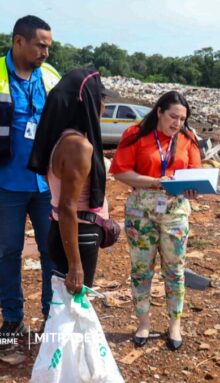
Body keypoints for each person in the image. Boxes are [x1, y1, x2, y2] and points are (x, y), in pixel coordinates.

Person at [110, 91, 201, 350]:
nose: (177, 123)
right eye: (173, 116)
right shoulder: (135, 134)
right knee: (141, 270)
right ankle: (143, 323)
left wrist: (193, 187)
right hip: (141, 211)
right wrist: (153, 182)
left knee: (175, 270)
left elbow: (195, 173)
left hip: (175, 210)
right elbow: (120, 172)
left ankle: (174, 325)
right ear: (159, 111)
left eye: (182, 119)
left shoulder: (188, 138)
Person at [28, 68, 118, 295]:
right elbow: (68, 206)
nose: (104, 107)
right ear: (87, 102)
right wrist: (76, 265)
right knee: (76, 307)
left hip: (66, 231)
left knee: (66, 306)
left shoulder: (62, 139)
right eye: (102, 100)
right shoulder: (78, 147)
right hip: (80, 234)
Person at [0, 15, 60, 340]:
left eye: (48, 46)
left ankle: (52, 319)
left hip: (46, 185)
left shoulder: (50, 76)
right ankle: (12, 318)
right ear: (19, 41)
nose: (45, 53)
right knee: (7, 252)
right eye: (40, 45)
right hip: (6, 185)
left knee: (52, 251)